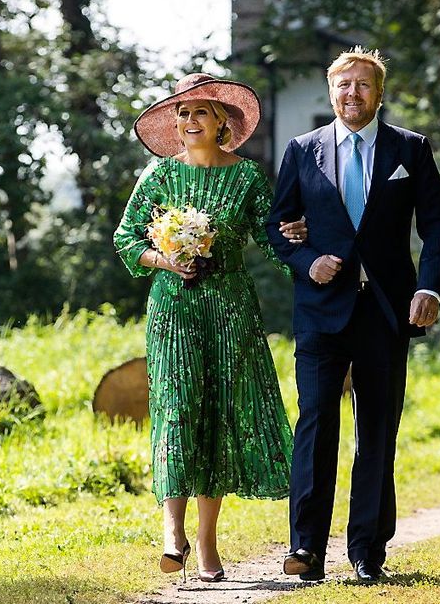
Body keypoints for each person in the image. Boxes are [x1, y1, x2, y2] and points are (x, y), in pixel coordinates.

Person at [266, 47, 440, 583]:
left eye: (363, 85)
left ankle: (368, 551)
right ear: (332, 92)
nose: (353, 94)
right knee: (316, 425)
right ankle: (305, 549)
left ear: (379, 93)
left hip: (388, 311)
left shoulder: (410, 150)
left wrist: (429, 288)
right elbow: (279, 227)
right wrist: (306, 261)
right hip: (320, 312)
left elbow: (437, 227)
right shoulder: (302, 151)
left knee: (376, 431)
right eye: (344, 85)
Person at [113, 73, 305, 583]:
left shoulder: (246, 179)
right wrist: (166, 258)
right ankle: (172, 533)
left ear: (223, 120)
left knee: (218, 415)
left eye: (199, 111)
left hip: (230, 308)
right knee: (177, 409)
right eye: (181, 113)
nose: (188, 120)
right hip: (173, 309)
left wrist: (310, 266)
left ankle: (207, 543)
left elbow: (274, 241)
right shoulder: (157, 176)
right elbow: (126, 240)